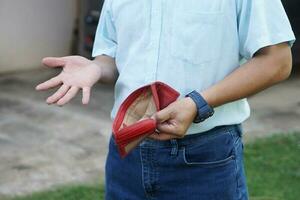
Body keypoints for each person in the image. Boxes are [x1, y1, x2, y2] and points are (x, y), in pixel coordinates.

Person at [36, 0, 295, 199]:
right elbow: (113, 57)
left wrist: (197, 103)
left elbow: (277, 61)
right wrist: (96, 68)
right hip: (126, 153)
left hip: (204, 158)